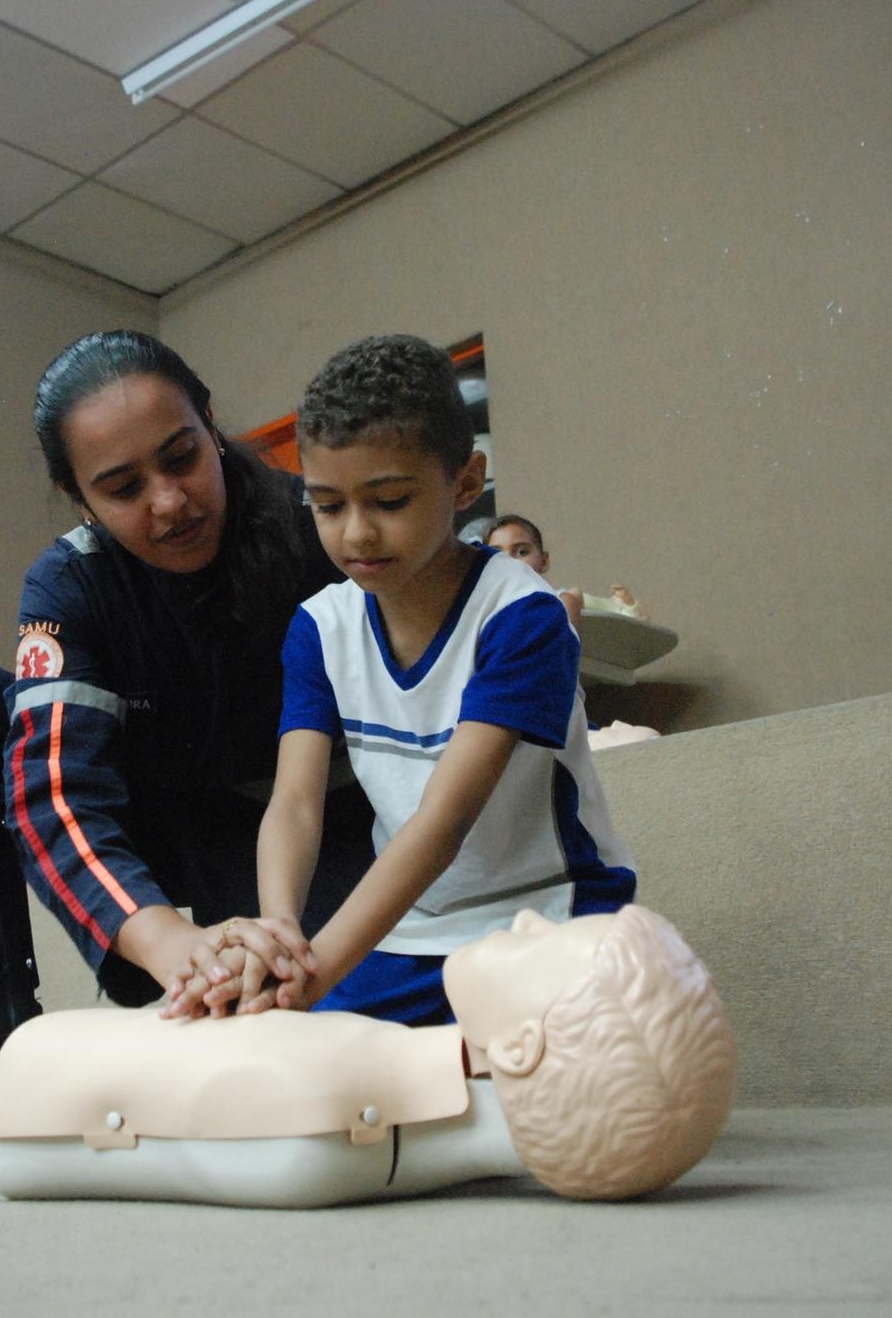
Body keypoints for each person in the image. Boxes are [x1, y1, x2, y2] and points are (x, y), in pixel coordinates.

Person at [0, 329, 374, 1177]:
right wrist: (164, 941)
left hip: (314, 839)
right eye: (122, 488)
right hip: (153, 838)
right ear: (78, 496)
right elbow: (53, 789)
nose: (169, 502)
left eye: (183, 457)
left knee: (373, 1014)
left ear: (211, 424)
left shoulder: (324, 524)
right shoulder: (70, 583)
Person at [171, 335, 637, 1024]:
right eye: (327, 506)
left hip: (551, 921)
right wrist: (280, 938)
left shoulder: (520, 617)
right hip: (410, 936)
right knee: (295, 1066)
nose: (356, 533)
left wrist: (316, 972)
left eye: (388, 501)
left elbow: (441, 824)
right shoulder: (320, 629)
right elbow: (296, 804)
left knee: (563, 1076)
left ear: (467, 482)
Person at [0, 904, 737, 1207]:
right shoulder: (366, 1079)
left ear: (521, 1046)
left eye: (544, 943)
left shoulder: (344, 1093)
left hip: (36, 1081)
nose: (531, 918)